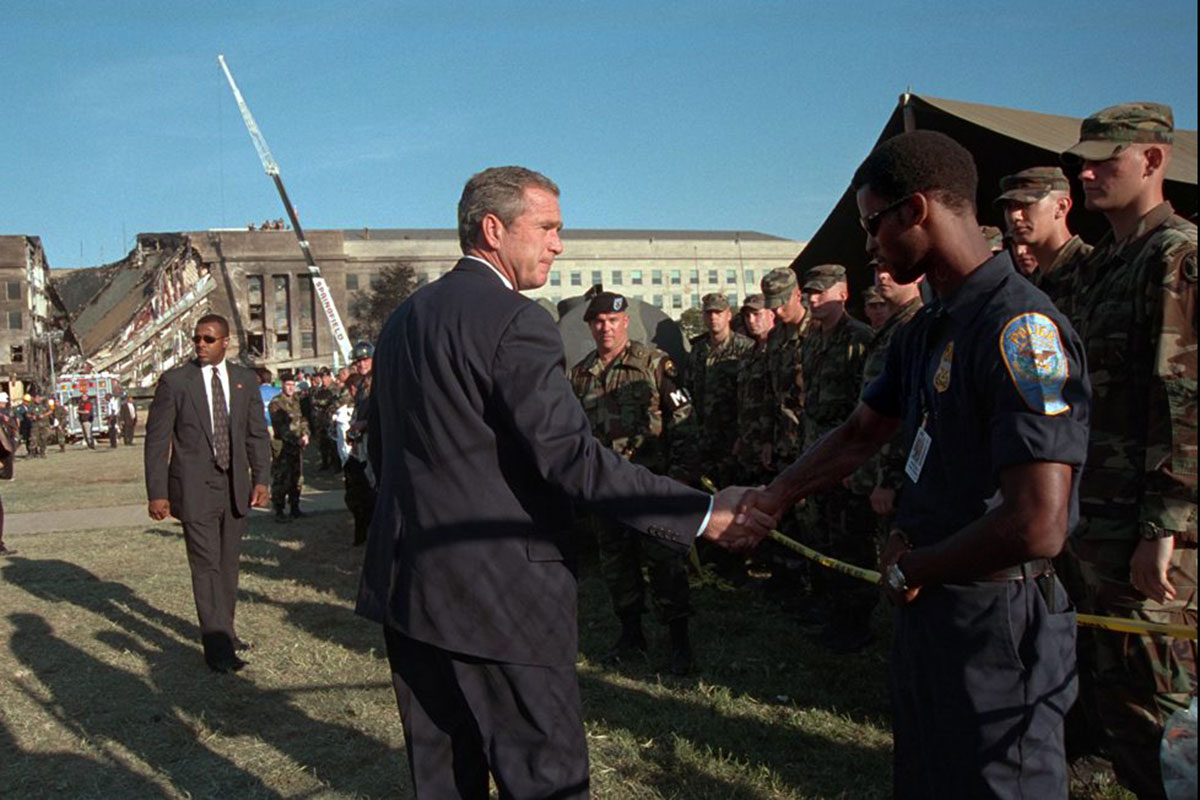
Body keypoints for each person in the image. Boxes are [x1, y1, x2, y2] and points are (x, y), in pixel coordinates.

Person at [355, 166, 770, 799]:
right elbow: (571, 459)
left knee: (442, 781)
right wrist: (703, 513)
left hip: (410, 588)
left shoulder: (404, 320)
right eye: (547, 227)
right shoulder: (514, 320)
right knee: (544, 779)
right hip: (501, 600)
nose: (558, 244)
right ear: (493, 230)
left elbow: (383, 455)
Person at [746, 130, 1090, 798]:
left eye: (872, 224)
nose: (869, 246)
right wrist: (773, 496)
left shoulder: (1020, 328)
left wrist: (913, 565)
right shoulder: (931, 325)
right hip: (932, 603)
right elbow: (860, 433)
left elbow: (1038, 523)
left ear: (917, 210)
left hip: (998, 615)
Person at [1058, 102, 1197, 800]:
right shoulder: (1108, 264)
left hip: (1152, 537)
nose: (1086, 172)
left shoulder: (1178, 257)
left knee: (1164, 710)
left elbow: (1186, 402)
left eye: (1103, 159)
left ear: (1153, 160)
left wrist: (1165, 526)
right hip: (1102, 523)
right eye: (1082, 160)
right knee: (1121, 701)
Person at [570, 291, 699, 675]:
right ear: (590, 327)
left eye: (612, 321)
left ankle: (680, 644)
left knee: (665, 564)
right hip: (608, 489)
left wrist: (681, 476)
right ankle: (631, 635)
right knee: (616, 564)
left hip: (652, 485)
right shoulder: (580, 373)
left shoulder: (655, 364)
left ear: (626, 322)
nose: (605, 328)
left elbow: (684, 420)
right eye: (598, 322)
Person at [144, 314, 271, 673]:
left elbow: (256, 435)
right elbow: (157, 442)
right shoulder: (175, 382)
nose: (200, 344)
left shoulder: (245, 381)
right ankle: (217, 648)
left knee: (229, 566)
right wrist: (157, 492)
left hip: (235, 488)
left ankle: (226, 632)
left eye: (208, 339)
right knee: (206, 566)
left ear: (225, 342)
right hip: (194, 488)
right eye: (197, 338)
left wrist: (262, 480)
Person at [796, 264, 875, 652]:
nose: (813, 299)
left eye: (820, 292)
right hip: (816, 449)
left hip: (845, 454)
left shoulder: (860, 339)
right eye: (809, 292)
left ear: (842, 293)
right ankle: (829, 608)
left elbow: (868, 408)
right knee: (820, 532)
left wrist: (857, 462)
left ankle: (855, 620)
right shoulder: (811, 339)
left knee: (849, 539)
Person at [995, 166, 1092, 312]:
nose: (1015, 216)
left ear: (1061, 207)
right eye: (1009, 207)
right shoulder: (1030, 284)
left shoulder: (1092, 269)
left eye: (1026, 204)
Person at [684, 292, 753, 488]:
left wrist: (743, 437)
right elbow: (689, 394)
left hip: (733, 440)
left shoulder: (745, 349)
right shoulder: (697, 352)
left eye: (718, 312)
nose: (713, 317)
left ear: (728, 315)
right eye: (709, 313)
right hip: (703, 441)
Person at [734, 293, 775, 486]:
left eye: (757, 314)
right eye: (747, 316)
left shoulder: (779, 352)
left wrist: (770, 441)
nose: (751, 321)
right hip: (749, 444)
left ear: (771, 314)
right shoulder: (747, 356)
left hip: (774, 446)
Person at [343, 341, 376, 546]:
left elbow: (388, 412)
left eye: (365, 359)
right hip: (363, 442)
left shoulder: (381, 380)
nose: (361, 364)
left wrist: (367, 423)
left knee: (375, 489)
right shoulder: (363, 384)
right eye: (358, 360)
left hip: (377, 441)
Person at [268, 371, 310, 523]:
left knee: (297, 477)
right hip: (283, 446)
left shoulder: (297, 400)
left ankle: (295, 507)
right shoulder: (276, 403)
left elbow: (303, 419)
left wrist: (305, 434)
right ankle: (279, 509)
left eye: (293, 384)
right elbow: (281, 428)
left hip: (297, 445)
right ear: (282, 385)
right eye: (288, 385)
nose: (291, 388)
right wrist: (296, 440)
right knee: (281, 478)